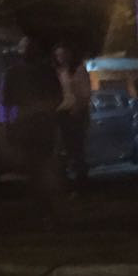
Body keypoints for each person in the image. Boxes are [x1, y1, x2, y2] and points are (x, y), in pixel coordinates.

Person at [0, 37, 64, 224]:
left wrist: (8, 124)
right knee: (40, 168)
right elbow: (58, 97)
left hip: (30, 128)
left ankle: (42, 209)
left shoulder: (14, 73)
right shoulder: (43, 72)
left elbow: (5, 102)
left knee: (36, 168)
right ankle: (44, 209)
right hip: (36, 127)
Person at [53, 43, 92, 193]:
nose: (61, 58)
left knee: (77, 148)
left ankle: (81, 183)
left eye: (63, 54)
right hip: (61, 113)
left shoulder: (79, 70)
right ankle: (68, 182)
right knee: (64, 149)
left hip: (76, 113)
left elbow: (85, 93)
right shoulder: (57, 72)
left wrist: (77, 109)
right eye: (58, 55)